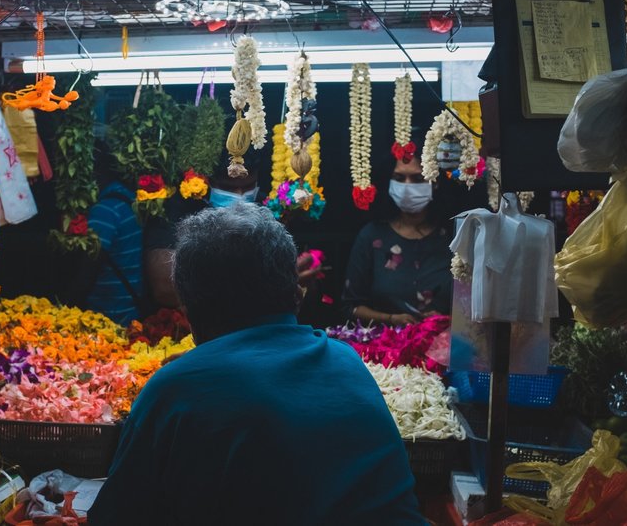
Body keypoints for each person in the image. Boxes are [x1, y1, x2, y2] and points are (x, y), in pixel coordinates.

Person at [87, 203, 425, 526]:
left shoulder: (175, 390)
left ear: (189, 315)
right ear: (297, 296)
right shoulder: (345, 360)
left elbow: (114, 517)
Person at [144, 151, 318, 309]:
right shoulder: (179, 207)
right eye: (228, 188)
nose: (240, 196)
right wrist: (267, 282)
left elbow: (301, 281)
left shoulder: (269, 207)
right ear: (206, 180)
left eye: (248, 186)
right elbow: (164, 288)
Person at [343, 156, 455, 325]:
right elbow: (351, 307)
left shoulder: (453, 237)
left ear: (435, 182)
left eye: (418, 178)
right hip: (385, 339)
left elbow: (473, 308)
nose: (407, 186)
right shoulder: (372, 236)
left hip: (444, 339)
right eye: (399, 178)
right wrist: (390, 319)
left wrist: (444, 321)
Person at [81, 142, 144, 325]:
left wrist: (69, 302)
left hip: (109, 314)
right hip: (132, 309)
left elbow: (90, 265)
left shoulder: (105, 210)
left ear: (96, 171)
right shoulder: (131, 200)